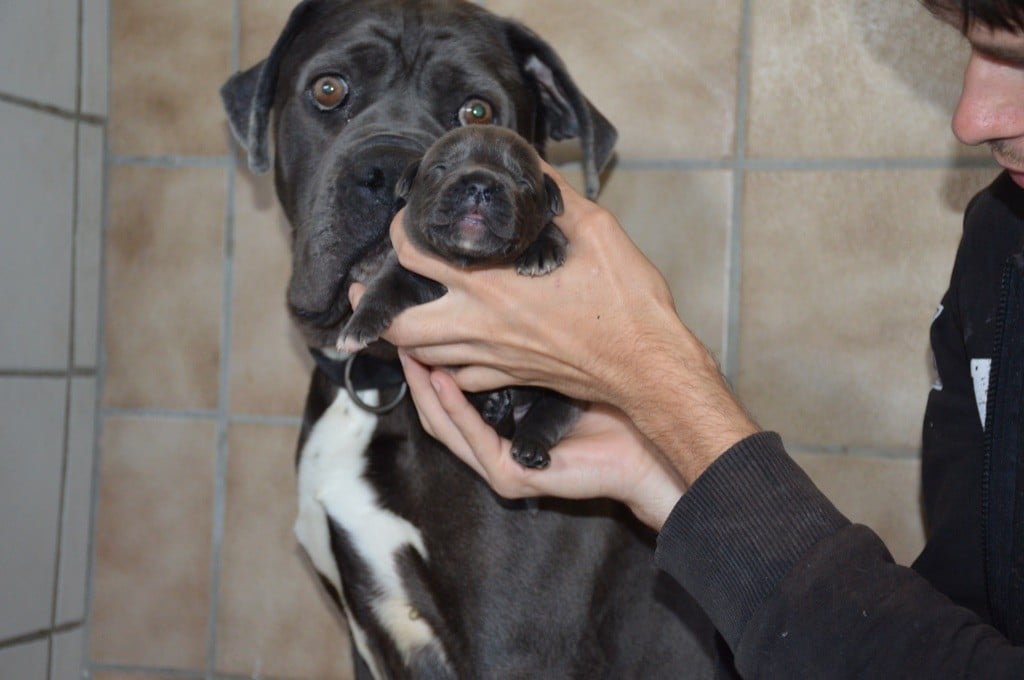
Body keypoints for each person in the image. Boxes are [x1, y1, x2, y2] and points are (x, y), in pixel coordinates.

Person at [351, 0, 1024, 675]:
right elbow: (955, 627)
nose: (974, 118)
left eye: (1020, 57)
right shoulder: (998, 246)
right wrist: (664, 478)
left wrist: (661, 382)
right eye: (974, 46)